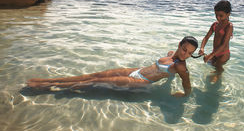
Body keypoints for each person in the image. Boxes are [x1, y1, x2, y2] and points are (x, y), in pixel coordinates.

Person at [27, 36, 198, 97]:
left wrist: (185, 94)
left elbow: (186, 81)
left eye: (190, 53)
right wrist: (168, 80)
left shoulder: (181, 67)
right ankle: (50, 80)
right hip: (136, 70)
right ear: (179, 45)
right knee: (95, 74)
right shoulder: (170, 54)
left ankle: (50, 86)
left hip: (140, 81)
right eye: (184, 49)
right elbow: (168, 69)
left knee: (95, 81)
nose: (185, 54)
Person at [198, 0, 233, 82]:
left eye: (221, 15)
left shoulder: (229, 26)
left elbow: (224, 45)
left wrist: (210, 55)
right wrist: (202, 48)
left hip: (224, 54)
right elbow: (206, 37)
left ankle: (219, 79)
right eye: (216, 15)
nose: (218, 18)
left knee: (218, 68)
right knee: (210, 65)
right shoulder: (215, 25)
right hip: (215, 53)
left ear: (228, 14)